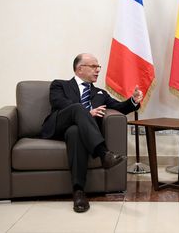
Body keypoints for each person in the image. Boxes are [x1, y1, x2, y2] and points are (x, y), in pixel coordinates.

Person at [41, 53, 143, 213]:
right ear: (80, 68)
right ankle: (103, 154)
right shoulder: (59, 85)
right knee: (77, 108)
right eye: (94, 66)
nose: (98, 70)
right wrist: (87, 112)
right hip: (58, 125)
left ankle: (79, 192)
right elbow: (59, 102)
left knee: (75, 132)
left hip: (76, 132)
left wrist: (133, 101)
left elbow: (119, 106)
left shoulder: (100, 93)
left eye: (98, 67)